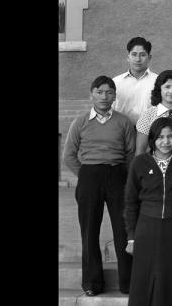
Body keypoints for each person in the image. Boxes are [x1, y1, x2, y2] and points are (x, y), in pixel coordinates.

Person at [62, 75, 135, 296]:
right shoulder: (81, 121)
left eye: (109, 92)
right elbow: (69, 155)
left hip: (117, 175)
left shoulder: (123, 121)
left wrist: (125, 177)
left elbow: (131, 154)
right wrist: (85, 175)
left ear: (114, 96)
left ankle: (127, 283)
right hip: (89, 177)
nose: (104, 96)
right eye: (100, 91)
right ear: (92, 94)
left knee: (123, 231)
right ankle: (92, 283)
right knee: (89, 231)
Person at [123, 118, 172, 306]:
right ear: (152, 139)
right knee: (144, 277)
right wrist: (131, 237)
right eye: (160, 137)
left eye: (170, 136)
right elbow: (130, 202)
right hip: (147, 226)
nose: (165, 141)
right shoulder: (140, 163)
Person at [135, 70, 172, 155]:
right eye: (167, 87)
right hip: (155, 164)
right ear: (159, 89)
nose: (171, 91)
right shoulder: (148, 115)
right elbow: (140, 150)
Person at [113, 37, 158, 124]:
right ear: (128, 57)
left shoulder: (158, 81)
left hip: (150, 132)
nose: (138, 59)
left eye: (142, 55)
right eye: (134, 54)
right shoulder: (116, 82)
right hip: (122, 131)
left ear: (149, 58)